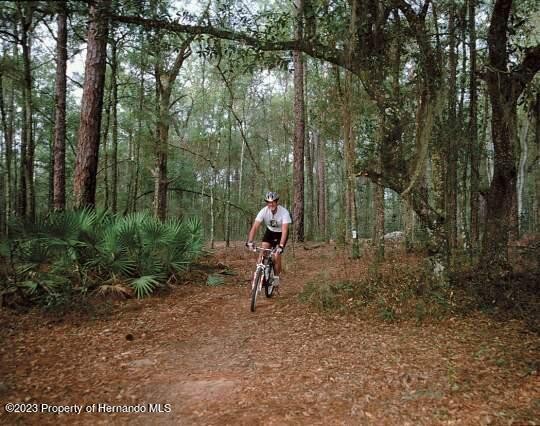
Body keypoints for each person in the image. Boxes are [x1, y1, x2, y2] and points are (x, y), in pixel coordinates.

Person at [246, 191, 292, 287]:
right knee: (263, 251)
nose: (271, 204)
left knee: (276, 255)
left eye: (273, 202)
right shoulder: (263, 211)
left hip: (281, 234)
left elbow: (284, 230)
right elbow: (255, 227)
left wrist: (281, 246)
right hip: (270, 232)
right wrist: (250, 241)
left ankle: (276, 277)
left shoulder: (284, 212)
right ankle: (259, 275)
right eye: (268, 202)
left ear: (277, 202)